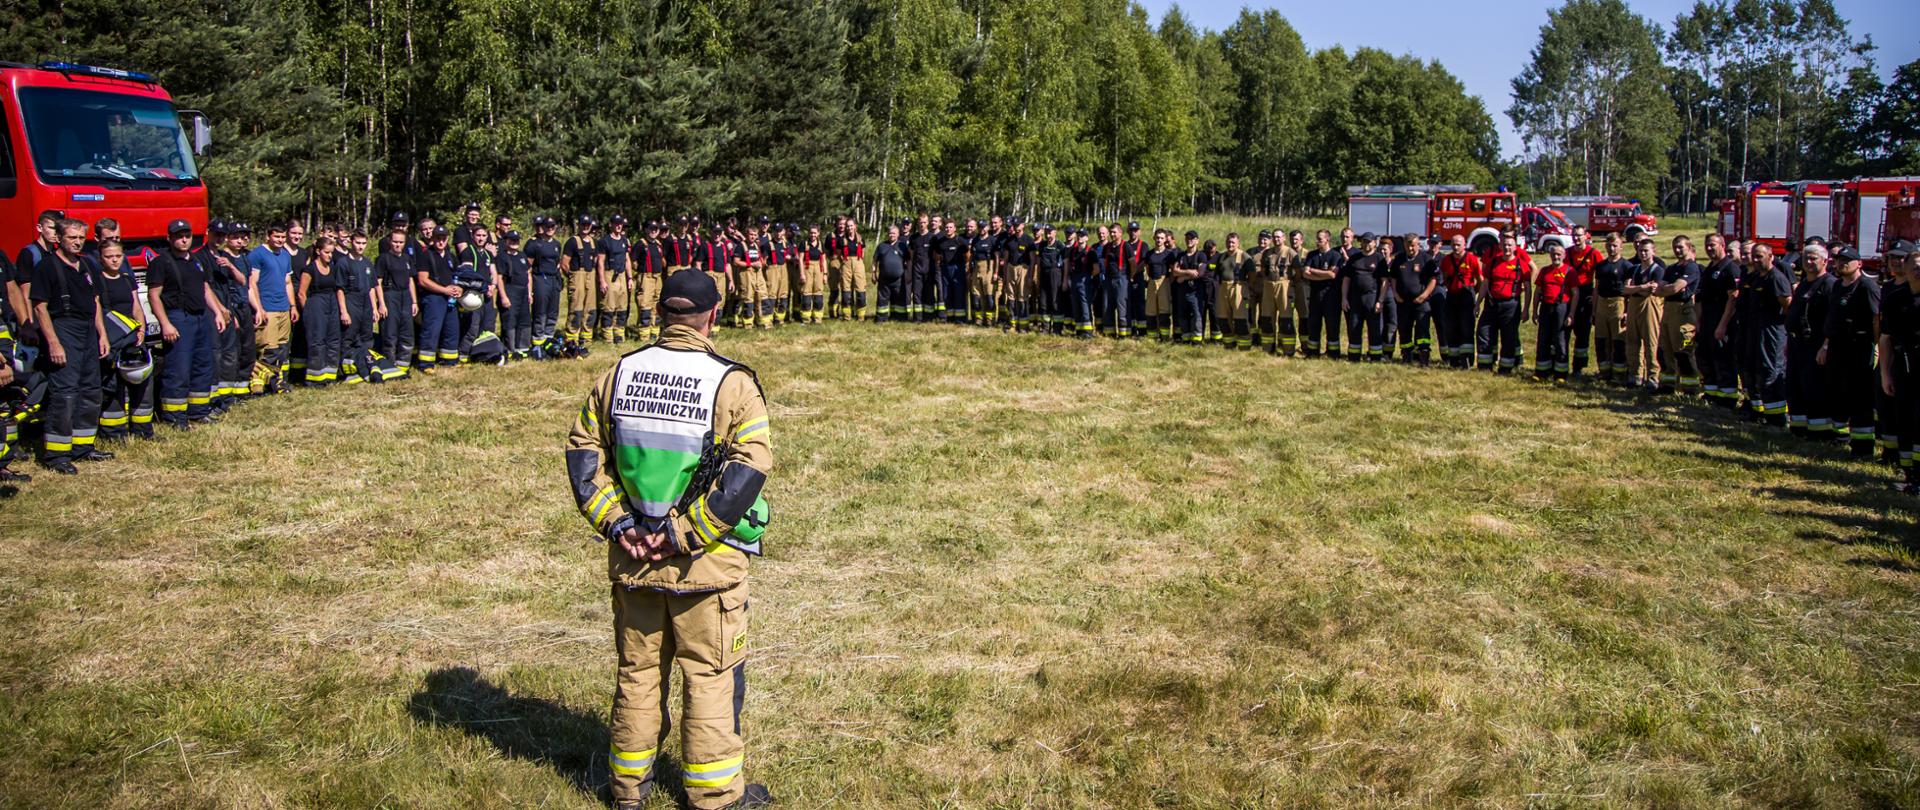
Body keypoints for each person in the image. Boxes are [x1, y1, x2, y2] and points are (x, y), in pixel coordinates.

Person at [566, 269, 774, 810]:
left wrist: (619, 525)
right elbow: (747, 473)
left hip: (633, 560)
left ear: (660, 313)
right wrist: (683, 537)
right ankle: (714, 798)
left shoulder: (617, 375)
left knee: (636, 676)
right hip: (702, 569)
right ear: (712, 316)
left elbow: (585, 458)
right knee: (709, 677)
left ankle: (627, 792)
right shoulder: (732, 384)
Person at [30, 218, 110, 473]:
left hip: (87, 330)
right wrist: (54, 343)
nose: (77, 242)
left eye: (80, 237)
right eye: (71, 237)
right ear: (58, 239)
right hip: (64, 329)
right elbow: (40, 308)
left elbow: (95, 301)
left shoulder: (87, 264)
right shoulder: (47, 267)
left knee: (90, 389)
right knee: (65, 393)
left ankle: (83, 446)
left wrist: (102, 334)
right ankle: (57, 455)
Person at [148, 219, 230, 427]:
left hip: (201, 317)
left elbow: (204, 289)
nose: (184, 240)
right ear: (170, 238)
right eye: (179, 236)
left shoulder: (195, 260)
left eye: (187, 236)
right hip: (178, 317)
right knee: (178, 368)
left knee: (203, 365)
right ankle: (175, 416)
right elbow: (154, 296)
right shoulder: (161, 262)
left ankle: (199, 411)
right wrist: (165, 324)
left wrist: (218, 312)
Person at [1719, 242, 1792, 424]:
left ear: (1771, 257)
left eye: (1760, 256)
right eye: (1755, 256)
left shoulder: (1776, 278)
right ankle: (1757, 411)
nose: (1756, 260)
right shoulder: (1755, 278)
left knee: (1769, 372)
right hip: (1753, 330)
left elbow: (1788, 308)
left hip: (1771, 333)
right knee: (1751, 370)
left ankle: (1776, 417)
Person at [1820, 246, 1879, 455]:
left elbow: (1876, 319)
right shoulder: (1837, 286)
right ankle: (1840, 437)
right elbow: (1833, 318)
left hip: (1859, 346)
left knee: (1860, 395)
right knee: (1838, 391)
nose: (1842, 264)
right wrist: (1825, 345)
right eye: (1839, 260)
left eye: (1847, 260)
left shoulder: (1866, 286)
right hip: (1837, 345)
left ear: (1859, 264)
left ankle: (1863, 446)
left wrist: (1876, 346)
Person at [92, 241, 153, 441]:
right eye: (109, 256)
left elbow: (136, 306)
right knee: (113, 385)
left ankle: (142, 429)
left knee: (142, 383)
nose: (114, 260)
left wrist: (141, 330)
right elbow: (97, 310)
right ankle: (113, 433)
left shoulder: (127, 279)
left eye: (118, 256)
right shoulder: (98, 280)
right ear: (101, 259)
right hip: (114, 339)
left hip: (133, 337)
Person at [1879, 240, 1919, 491]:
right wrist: (1885, 374)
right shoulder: (1895, 298)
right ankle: (1909, 475)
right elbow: (1885, 338)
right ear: (1904, 267)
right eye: (1913, 265)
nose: (1917, 270)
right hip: (1903, 366)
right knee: (1904, 420)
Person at [1786, 243, 1836, 436]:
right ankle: (1799, 428)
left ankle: (1819, 432)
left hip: (1816, 344)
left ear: (1825, 261)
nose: (1808, 261)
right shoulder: (1803, 283)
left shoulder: (1829, 284)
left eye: (1813, 258)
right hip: (1797, 343)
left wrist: (1825, 345)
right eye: (1806, 258)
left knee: (1815, 387)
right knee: (1795, 386)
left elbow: (1833, 318)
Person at [1696, 234, 1741, 407]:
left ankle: (1728, 397)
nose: (1709, 248)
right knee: (1706, 356)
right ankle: (1711, 393)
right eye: (1707, 245)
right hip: (1707, 320)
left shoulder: (1730, 268)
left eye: (1713, 245)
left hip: (1722, 321)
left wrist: (1722, 325)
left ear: (1722, 245)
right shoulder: (1709, 268)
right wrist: (1699, 322)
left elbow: (1733, 299)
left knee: (1723, 359)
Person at [296, 236, 348, 386]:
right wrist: (308, 312)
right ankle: (315, 378)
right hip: (315, 305)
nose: (330, 255)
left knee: (333, 339)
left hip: (331, 304)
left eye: (331, 252)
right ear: (318, 251)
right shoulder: (310, 269)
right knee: (317, 341)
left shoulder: (332, 267)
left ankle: (330, 375)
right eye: (327, 252)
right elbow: (301, 293)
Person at [1477, 234, 1530, 373]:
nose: (1507, 247)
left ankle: (1506, 368)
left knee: (1509, 336)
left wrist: (1526, 309)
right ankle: (1485, 366)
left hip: (1511, 305)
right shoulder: (1493, 262)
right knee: (1483, 332)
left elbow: (1528, 288)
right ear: (1500, 246)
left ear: (1515, 247)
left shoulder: (1521, 265)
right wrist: (1478, 303)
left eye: (1510, 245)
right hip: (1492, 304)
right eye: (1504, 245)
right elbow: (1485, 284)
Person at [1657, 236, 1702, 395]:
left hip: (1684, 311)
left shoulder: (1692, 268)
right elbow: (1658, 289)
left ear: (1689, 247)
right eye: (1675, 247)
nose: (1677, 250)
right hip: (1668, 309)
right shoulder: (1671, 268)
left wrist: (1668, 288)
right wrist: (1669, 288)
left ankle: (1691, 388)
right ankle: (1668, 386)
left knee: (1684, 350)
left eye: (1681, 247)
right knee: (1666, 349)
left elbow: (1676, 288)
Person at [414, 226, 462, 372]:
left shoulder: (450, 256)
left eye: (443, 238)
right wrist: (444, 290)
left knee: (451, 329)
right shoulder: (425, 255)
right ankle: (426, 364)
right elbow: (423, 280)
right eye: (438, 238)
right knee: (431, 330)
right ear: (433, 239)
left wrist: (458, 288)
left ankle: (449, 359)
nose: (441, 242)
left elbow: (457, 277)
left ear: (447, 239)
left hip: (449, 298)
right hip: (433, 297)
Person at [1621, 238, 1665, 389]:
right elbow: (1625, 289)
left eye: (1646, 250)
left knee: (1651, 341)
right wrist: (1642, 286)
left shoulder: (1658, 270)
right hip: (1633, 305)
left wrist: (1636, 288)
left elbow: (1651, 291)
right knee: (1632, 340)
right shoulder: (1633, 269)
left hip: (1650, 305)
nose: (1643, 253)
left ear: (1653, 251)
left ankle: (1653, 376)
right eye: (1640, 250)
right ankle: (1635, 374)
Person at [374, 229, 417, 380]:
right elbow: (377, 282)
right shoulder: (383, 259)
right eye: (395, 241)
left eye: (401, 242)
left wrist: (414, 301)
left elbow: (411, 280)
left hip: (405, 296)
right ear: (389, 242)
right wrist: (381, 304)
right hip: (390, 295)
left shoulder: (407, 258)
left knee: (407, 334)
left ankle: (403, 367)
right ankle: (389, 368)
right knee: (390, 335)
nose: (398, 245)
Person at [1392, 233, 1438, 365]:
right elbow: (1393, 278)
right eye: (1407, 245)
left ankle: (1423, 357)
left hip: (1421, 301)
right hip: (1403, 301)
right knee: (1404, 328)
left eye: (1412, 246)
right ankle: (1406, 356)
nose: (1410, 249)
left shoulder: (1426, 259)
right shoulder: (1399, 258)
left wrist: (1424, 295)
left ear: (1418, 245)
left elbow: (1433, 279)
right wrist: (1395, 294)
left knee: (1422, 329)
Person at [339, 230, 379, 383]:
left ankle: (366, 367)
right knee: (348, 338)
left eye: (363, 243)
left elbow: (371, 288)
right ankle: (347, 371)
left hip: (366, 305)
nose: (361, 246)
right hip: (351, 303)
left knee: (366, 338)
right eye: (358, 243)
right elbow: (340, 289)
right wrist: (344, 311)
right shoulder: (344, 263)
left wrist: (374, 308)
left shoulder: (367, 263)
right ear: (351, 242)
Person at [1437, 235, 1481, 369]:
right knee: (1451, 328)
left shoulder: (1472, 259)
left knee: (1467, 328)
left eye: (1459, 245)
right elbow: (1444, 278)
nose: (1456, 247)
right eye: (1454, 244)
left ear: (1465, 245)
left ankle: (1466, 359)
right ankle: (1454, 360)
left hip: (1466, 298)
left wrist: (1474, 294)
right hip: (1451, 297)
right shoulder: (1446, 260)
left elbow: (1479, 279)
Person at [1531, 244, 1574, 381]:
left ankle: (1561, 373)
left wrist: (1571, 314)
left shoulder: (1569, 271)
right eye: (1553, 254)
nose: (1556, 257)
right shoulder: (1544, 271)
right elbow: (1537, 292)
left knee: (1560, 340)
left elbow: (1576, 293)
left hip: (1561, 308)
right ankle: (1541, 372)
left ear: (1564, 256)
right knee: (1543, 339)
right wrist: (1535, 311)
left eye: (1559, 254)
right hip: (1546, 307)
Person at [1341, 233, 1386, 361]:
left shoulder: (1379, 259)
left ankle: (1375, 356)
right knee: (1354, 327)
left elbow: (1384, 281)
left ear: (1374, 243)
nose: (1366, 244)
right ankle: (1354, 356)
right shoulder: (1354, 259)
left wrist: (1380, 301)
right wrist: (1344, 298)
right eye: (1364, 242)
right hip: (1355, 298)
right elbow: (1346, 280)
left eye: (1369, 242)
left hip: (1371, 297)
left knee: (1374, 329)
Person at [1591, 234, 1630, 382]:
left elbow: (1628, 290)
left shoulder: (1626, 266)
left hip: (1618, 303)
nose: (1612, 249)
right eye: (1609, 245)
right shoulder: (1601, 266)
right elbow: (1596, 288)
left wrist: (1626, 311)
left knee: (1618, 340)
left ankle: (1619, 374)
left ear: (1621, 246)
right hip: (1602, 302)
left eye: (1615, 245)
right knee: (1601, 339)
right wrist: (1594, 310)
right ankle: (1604, 372)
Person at [1565, 226, 1602, 376]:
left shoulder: (1594, 254)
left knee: (1583, 332)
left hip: (1586, 293)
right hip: (1569, 293)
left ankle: (1578, 367)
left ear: (1586, 236)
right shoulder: (1567, 253)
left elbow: (1599, 278)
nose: (1577, 238)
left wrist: (1594, 297)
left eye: (1579, 235)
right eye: (1574, 235)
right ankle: (1561, 363)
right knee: (1564, 331)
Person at [526, 216, 564, 346]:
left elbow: (557, 262)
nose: (550, 229)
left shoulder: (557, 244)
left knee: (553, 310)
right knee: (540, 310)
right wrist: (529, 288)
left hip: (554, 279)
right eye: (547, 226)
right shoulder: (534, 244)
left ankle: (549, 337)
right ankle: (538, 339)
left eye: (552, 226)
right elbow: (528, 267)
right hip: (540, 278)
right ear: (543, 227)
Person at [564, 215, 601, 343]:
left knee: (590, 309)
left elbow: (597, 261)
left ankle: (586, 337)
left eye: (588, 225)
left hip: (591, 275)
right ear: (578, 225)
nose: (585, 227)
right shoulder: (572, 242)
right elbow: (564, 263)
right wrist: (572, 278)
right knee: (576, 308)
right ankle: (572, 338)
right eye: (583, 224)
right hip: (577, 276)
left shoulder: (594, 242)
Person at [496, 230, 533, 358]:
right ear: (506, 241)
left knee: (524, 320)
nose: (514, 242)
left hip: (523, 292)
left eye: (517, 240)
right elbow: (499, 278)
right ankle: (510, 349)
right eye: (512, 240)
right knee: (510, 321)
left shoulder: (522, 255)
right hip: (510, 290)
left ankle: (522, 347)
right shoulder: (502, 256)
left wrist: (529, 293)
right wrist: (503, 296)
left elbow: (528, 274)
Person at [600, 215, 633, 343]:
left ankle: (619, 335)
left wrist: (629, 278)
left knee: (622, 307)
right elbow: (600, 262)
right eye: (616, 223)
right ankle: (608, 336)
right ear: (611, 224)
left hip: (622, 276)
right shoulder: (604, 241)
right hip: (610, 274)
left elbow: (627, 260)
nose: (619, 226)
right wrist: (602, 280)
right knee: (609, 307)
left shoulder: (624, 240)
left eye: (620, 223)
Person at [874, 224, 908, 324]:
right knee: (882, 299)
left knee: (898, 299)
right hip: (884, 279)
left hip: (899, 279)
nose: (891, 235)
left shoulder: (902, 246)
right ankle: (881, 318)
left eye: (894, 233)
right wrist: (873, 273)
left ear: (898, 234)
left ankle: (899, 318)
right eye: (890, 233)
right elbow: (874, 260)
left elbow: (908, 260)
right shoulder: (881, 246)